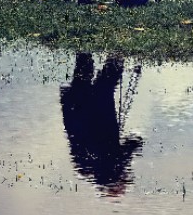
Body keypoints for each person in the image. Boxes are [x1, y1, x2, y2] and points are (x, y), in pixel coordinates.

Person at [60, 51, 143, 195]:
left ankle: (117, 51)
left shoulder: (114, 166)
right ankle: (85, 41)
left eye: (124, 178)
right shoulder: (84, 167)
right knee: (84, 66)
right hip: (75, 107)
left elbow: (135, 141)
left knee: (107, 80)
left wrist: (130, 155)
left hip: (94, 106)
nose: (126, 175)